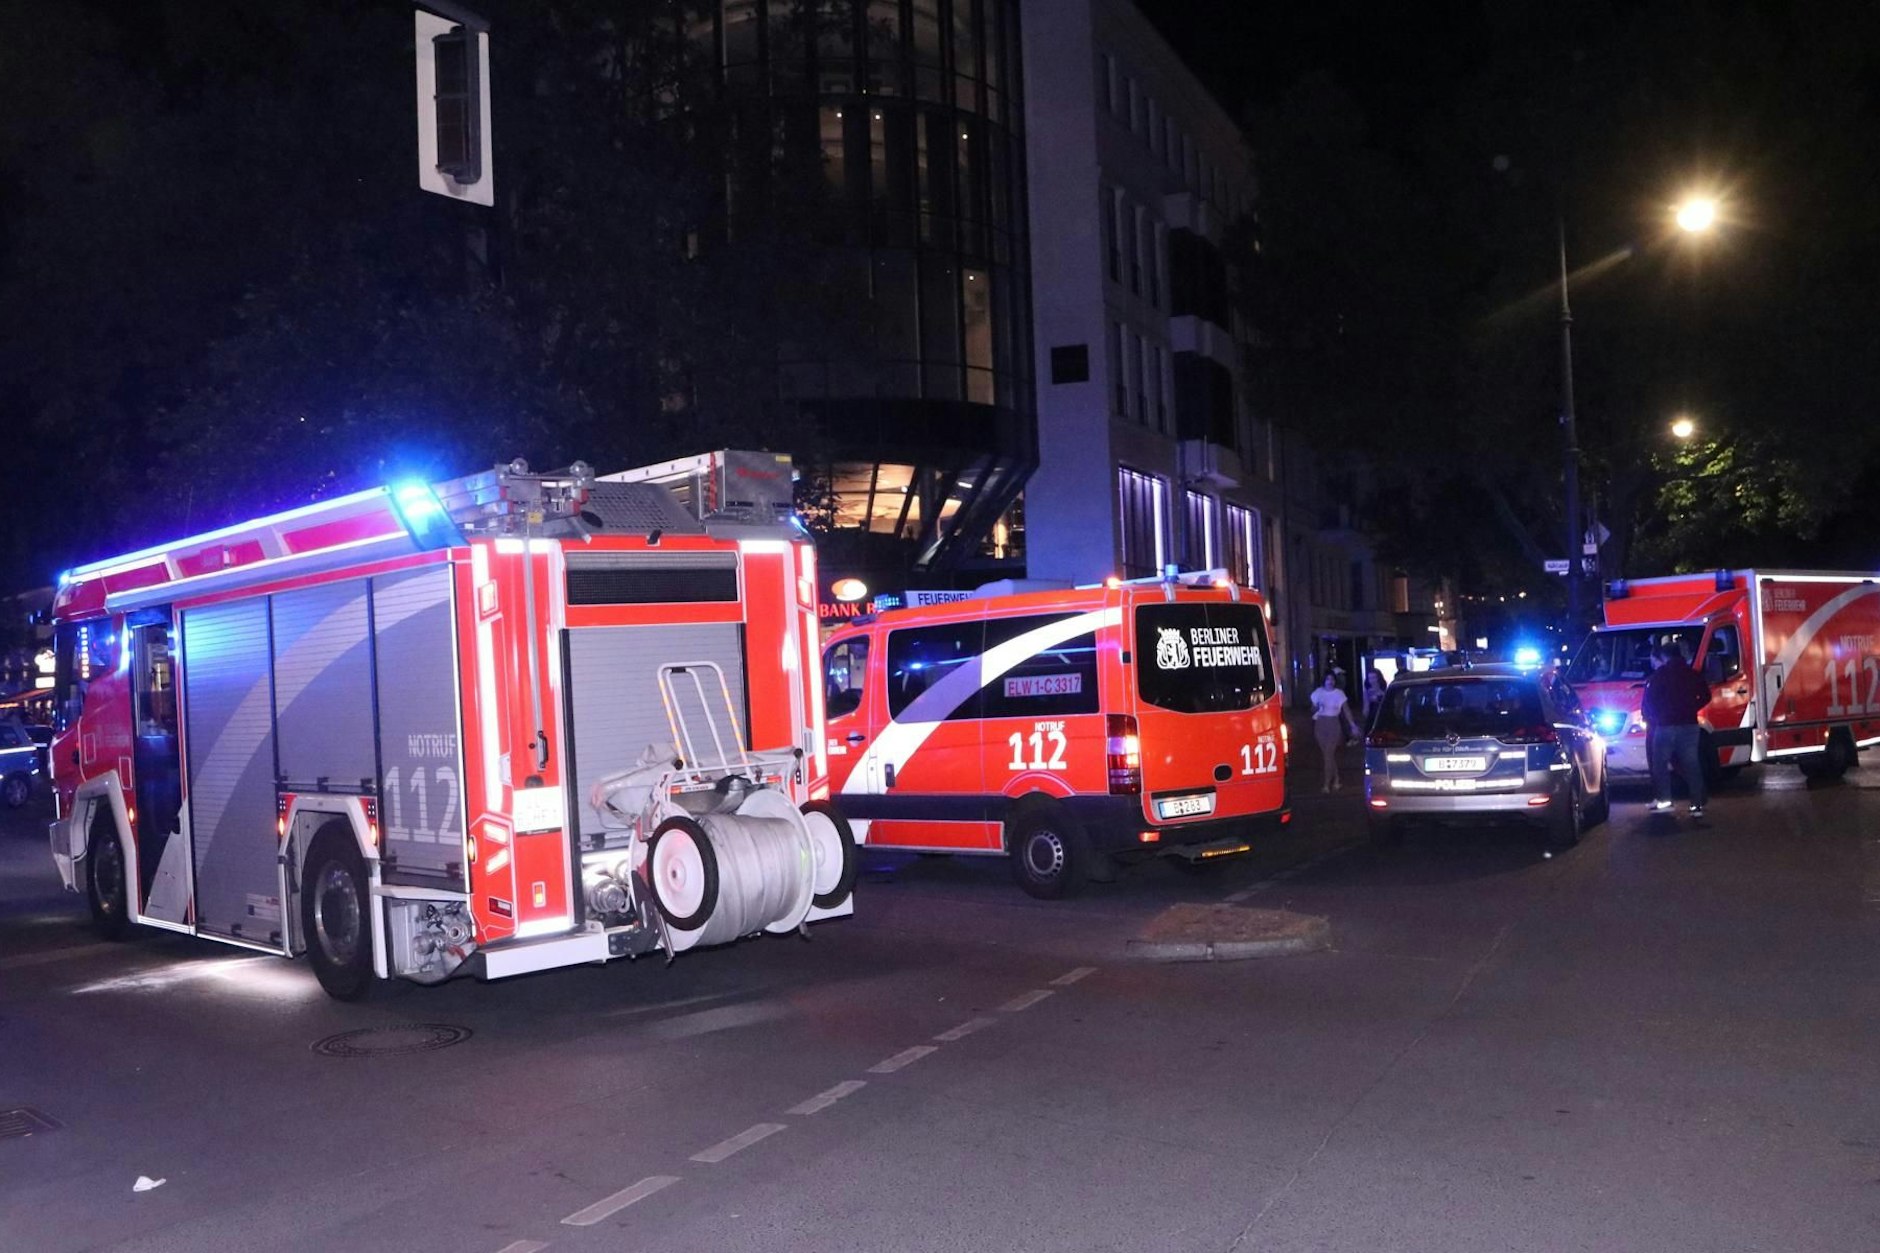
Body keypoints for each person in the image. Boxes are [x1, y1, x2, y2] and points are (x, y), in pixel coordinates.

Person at [1642, 641, 1711, 817]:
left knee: (1660, 763)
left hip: (1665, 726)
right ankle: (1696, 805)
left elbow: (1649, 701)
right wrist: (1692, 707)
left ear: (1665, 657)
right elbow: (1706, 695)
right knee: (1691, 763)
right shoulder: (1692, 674)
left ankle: (1665, 800)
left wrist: (1658, 716)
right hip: (1689, 724)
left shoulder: (1659, 676)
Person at [1309, 672, 1362, 793]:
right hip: (1320, 724)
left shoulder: (1339, 694)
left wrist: (1352, 725)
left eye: (1332, 679)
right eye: (1327, 679)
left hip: (1334, 724)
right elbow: (1312, 709)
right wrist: (1316, 707)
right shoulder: (1318, 693)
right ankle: (1336, 779)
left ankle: (1326, 783)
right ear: (1324, 680)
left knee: (1329, 753)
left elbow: (1346, 710)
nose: (1330, 681)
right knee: (1327, 755)